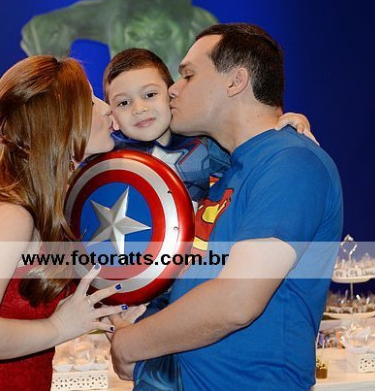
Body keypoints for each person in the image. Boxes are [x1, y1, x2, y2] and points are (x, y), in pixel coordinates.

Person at [109, 24, 343, 391]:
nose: (173, 89)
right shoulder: (225, 168)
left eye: (188, 75)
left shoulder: (291, 161)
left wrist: (131, 344)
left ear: (236, 82)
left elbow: (237, 300)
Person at [0, 55, 127, 390]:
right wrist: (58, 328)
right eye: (89, 102)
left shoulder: (46, 207)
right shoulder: (12, 216)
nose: (106, 109)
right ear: (56, 122)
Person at [104, 47, 316, 206]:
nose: (139, 109)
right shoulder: (108, 156)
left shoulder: (205, 145)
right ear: (112, 115)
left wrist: (289, 126)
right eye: (123, 103)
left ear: (172, 94)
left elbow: (255, 153)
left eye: (150, 94)